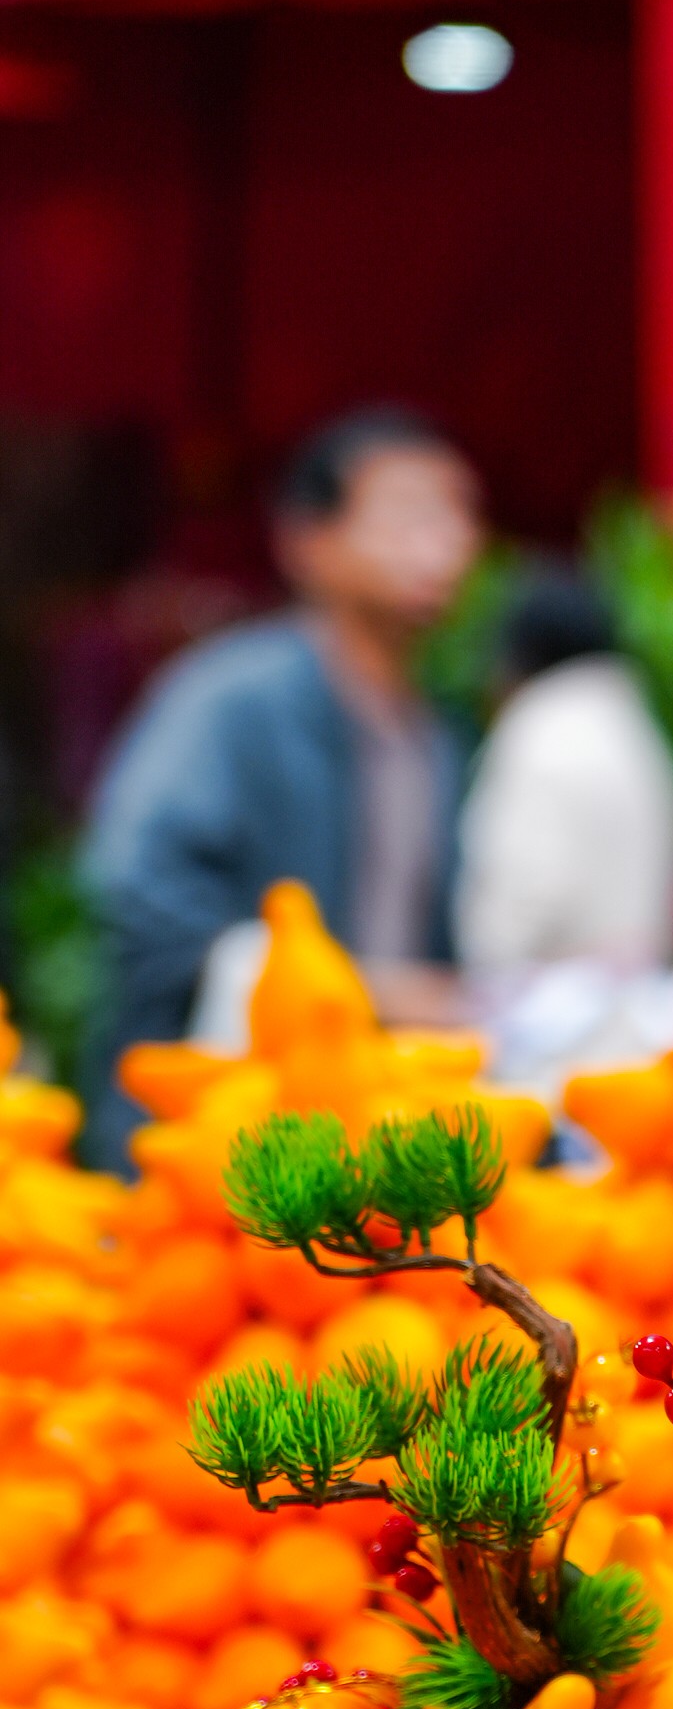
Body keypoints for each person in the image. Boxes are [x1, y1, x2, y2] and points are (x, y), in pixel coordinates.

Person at [77, 405, 481, 1167]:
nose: (448, 542)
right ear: (310, 541)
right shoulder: (232, 701)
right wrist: (362, 989)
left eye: (461, 514)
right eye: (411, 514)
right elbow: (137, 883)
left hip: (364, 1127)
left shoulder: (436, 730)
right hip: (213, 1130)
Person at [453, 564, 673, 978]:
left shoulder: (539, 732)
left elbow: (516, 911)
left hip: (549, 1004)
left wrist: (484, 964)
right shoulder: (639, 735)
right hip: (637, 999)